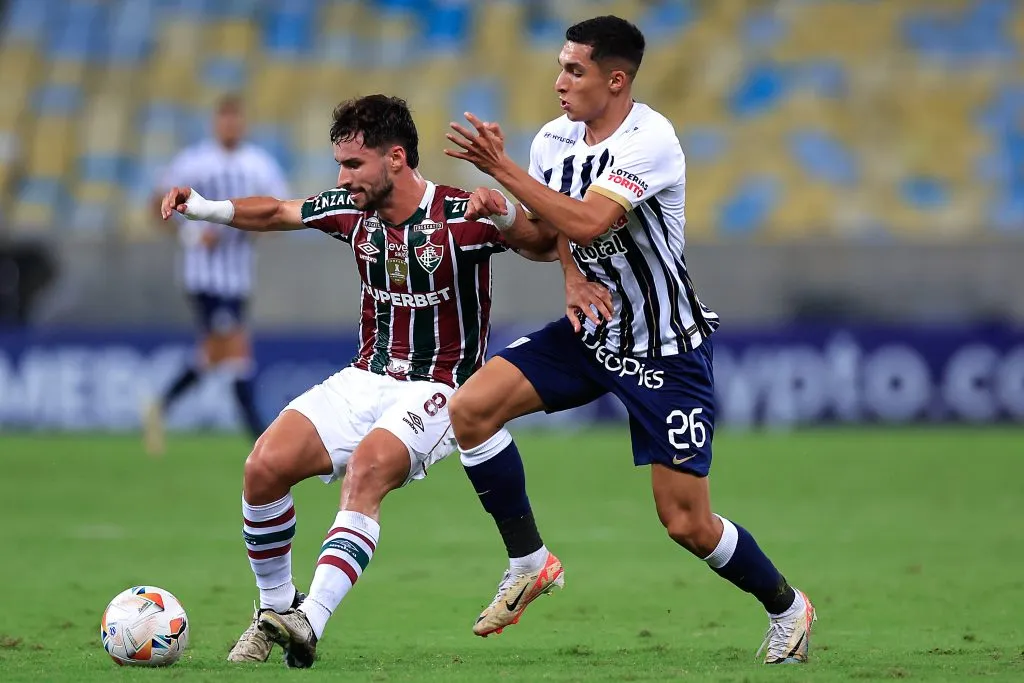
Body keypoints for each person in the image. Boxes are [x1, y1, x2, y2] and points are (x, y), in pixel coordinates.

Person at [443, 15, 816, 664]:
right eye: (559, 66)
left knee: (686, 523)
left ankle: (788, 606)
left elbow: (589, 220)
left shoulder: (652, 140)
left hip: (665, 349)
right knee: (470, 408)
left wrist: (503, 171)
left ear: (615, 79)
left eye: (574, 70)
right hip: (592, 332)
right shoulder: (553, 142)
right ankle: (530, 560)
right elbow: (545, 235)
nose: (558, 81)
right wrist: (508, 216)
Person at [160, 95, 556, 668]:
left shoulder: (460, 213)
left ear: (395, 159)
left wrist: (503, 215)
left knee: (368, 469)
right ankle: (275, 610)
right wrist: (202, 206)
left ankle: (310, 621)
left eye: (353, 165)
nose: (342, 179)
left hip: (441, 388)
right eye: (340, 165)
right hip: (366, 374)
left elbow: (546, 243)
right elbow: (276, 212)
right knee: (263, 468)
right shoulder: (352, 211)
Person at [145, 94, 288, 454]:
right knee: (238, 354)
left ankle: (160, 405)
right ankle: (261, 439)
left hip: (238, 278)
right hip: (204, 278)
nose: (230, 126)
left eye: (235, 119)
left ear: (243, 123)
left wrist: (254, 230)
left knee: (219, 355)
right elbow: (155, 205)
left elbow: (280, 211)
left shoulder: (259, 164)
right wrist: (190, 232)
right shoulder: (194, 162)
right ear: (215, 123)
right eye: (224, 119)